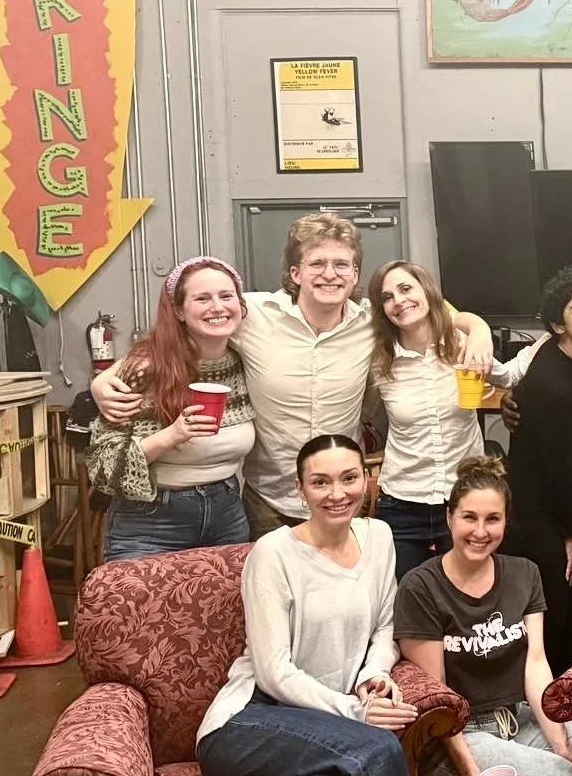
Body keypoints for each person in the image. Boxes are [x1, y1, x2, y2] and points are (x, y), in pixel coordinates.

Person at [93, 212, 492, 537]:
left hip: (339, 499)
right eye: (317, 263)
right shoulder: (252, 315)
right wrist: (106, 376)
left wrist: (479, 330)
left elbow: (440, 313)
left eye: (342, 265)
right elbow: (185, 328)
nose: (330, 274)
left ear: (355, 275)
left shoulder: (373, 321)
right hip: (269, 502)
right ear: (296, 273)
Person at [195, 434, 426, 776]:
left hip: (323, 735)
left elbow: (385, 628)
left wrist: (370, 680)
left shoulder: (381, 537)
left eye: (349, 478)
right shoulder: (273, 553)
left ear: (367, 482)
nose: (336, 492)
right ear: (300, 490)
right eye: (320, 482)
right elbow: (273, 671)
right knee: (376, 752)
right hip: (247, 722)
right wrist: (355, 714)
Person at [395, 456, 572, 776]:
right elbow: (438, 697)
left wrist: (560, 743)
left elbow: (535, 663)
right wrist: (470, 774)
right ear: (450, 517)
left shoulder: (524, 574)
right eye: (469, 517)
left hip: (519, 720)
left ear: (506, 521)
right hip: (460, 736)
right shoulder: (420, 587)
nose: (480, 532)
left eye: (493, 519)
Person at [87, 257, 256, 560]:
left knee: (222, 609)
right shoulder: (143, 369)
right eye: (202, 298)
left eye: (226, 296)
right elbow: (103, 468)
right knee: (141, 608)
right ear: (178, 310)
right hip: (150, 521)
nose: (217, 307)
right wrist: (171, 436)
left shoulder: (244, 361)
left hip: (227, 514)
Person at [502, 266, 572, 674]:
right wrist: (568, 535)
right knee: (556, 610)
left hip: (561, 497)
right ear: (557, 324)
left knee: (571, 603)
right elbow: (556, 468)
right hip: (538, 509)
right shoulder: (553, 387)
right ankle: (548, 703)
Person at [368, 260, 486, 580]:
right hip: (402, 504)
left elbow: (510, 376)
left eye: (406, 288)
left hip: (463, 500)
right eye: (387, 297)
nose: (399, 300)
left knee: (465, 599)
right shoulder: (380, 361)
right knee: (407, 601)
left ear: (426, 291)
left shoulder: (462, 343)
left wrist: (480, 329)